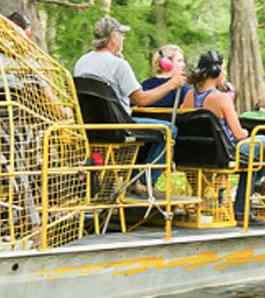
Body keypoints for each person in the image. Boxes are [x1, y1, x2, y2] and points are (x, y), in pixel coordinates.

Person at [73, 17, 187, 197]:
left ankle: (132, 180)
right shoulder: (118, 65)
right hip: (119, 127)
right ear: (113, 37)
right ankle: (143, 182)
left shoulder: (82, 62)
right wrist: (171, 84)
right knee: (169, 130)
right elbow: (141, 99)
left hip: (91, 128)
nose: (123, 40)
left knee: (148, 127)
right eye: (121, 35)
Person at [180, 51, 265, 222]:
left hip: (195, 153)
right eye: (224, 69)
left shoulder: (189, 96)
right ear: (216, 71)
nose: (226, 73)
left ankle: (205, 197)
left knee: (251, 153)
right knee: (262, 142)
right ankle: (245, 203)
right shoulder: (221, 99)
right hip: (222, 154)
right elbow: (238, 134)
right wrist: (248, 133)